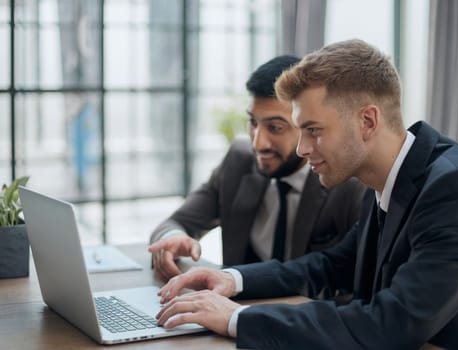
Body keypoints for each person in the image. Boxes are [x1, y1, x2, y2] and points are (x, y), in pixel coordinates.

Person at [153, 39, 458, 349]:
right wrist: (233, 280)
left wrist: (237, 317)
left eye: (313, 130)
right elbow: (333, 265)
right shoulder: (389, 175)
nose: (301, 148)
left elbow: (390, 324)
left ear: (367, 121)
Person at [148, 55, 365, 282]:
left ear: (307, 125)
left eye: (275, 127)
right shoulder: (239, 162)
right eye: (253, 122)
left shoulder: (346, 183)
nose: (258, 143)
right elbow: (176, 222)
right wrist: (173, 237)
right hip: (230, 309)